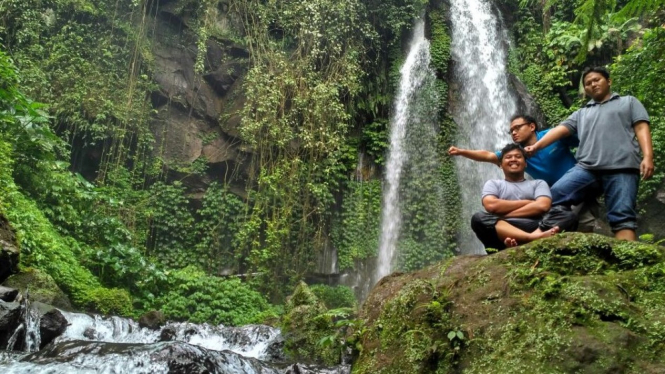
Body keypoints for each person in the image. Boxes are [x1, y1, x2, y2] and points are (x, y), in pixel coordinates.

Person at [525, 66, 654, 241]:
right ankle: (554, 237)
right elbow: (560, 130)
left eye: (596, 80)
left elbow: (641, 127)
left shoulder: (628, 102)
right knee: (555, 194)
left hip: (622, 167)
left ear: (608, 81)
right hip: (587, 168)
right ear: (585, 89)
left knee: (622, 215)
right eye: (588, 83)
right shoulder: (581, 113)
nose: (592, 84)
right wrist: (537, 146)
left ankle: (626, 263)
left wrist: (647, 156)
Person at [449, 114, 597, 231]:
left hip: (578, 183)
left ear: (532, 126)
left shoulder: (551, 136)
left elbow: (586, 140)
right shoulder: (518, 154)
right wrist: (462, 152)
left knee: (575, 217)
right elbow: (488, 155)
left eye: (517, 128)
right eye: (511, 131)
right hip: (556, 195)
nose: (514, 132)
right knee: (582, 221)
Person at [471, 143, 578, 250]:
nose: (513, 159)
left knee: (565, 213)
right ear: (500, 164)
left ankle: (529, 238)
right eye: (508, 157)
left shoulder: (538, 183)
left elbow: (542, 206)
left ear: (526, 164)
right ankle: (532, 239)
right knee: (478, 218)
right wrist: (529, 202)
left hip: (537, 226)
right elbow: (491, 205)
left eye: (518, 157)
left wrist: (504, 215)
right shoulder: (493, 184)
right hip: (503, 228)